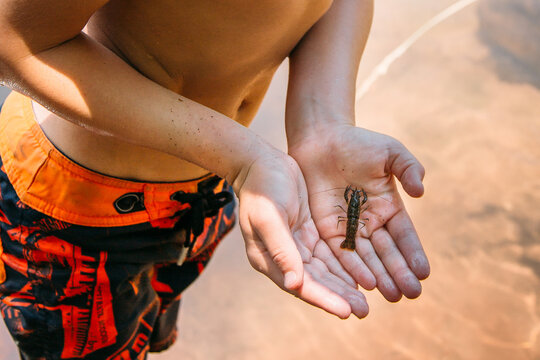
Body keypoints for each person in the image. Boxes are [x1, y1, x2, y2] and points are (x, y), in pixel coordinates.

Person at [0, 0, 430, 358]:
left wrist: (322, 124)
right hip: (75, 210)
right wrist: (241, 158)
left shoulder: (246, 165)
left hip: (216, 182)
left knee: (144, 334)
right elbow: (11, 41)